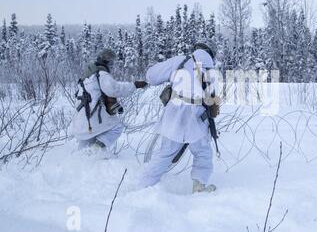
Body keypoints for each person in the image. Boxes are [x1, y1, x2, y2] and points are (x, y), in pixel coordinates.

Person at [143, 41, 219, 193]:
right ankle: (199, 186)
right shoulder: (212, 71)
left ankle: (145, 186)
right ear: (210, 55)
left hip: (174, 114)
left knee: (165, 153)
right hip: (197, 118)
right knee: (203, 152)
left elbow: (151, 76)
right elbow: (213, 101)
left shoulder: (180, 60)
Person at [71, 48, 148, 152]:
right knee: (117, 127)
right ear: (107, 61)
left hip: (81, 119)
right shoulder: (101, 74)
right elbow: (114, 89)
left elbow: (100, 93)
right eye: (111, 62)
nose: (112, 64)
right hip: (91, 118)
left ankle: (78, 161)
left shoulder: (88, 74)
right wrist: (134, 85)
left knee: (84, 146)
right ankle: (95, 151)